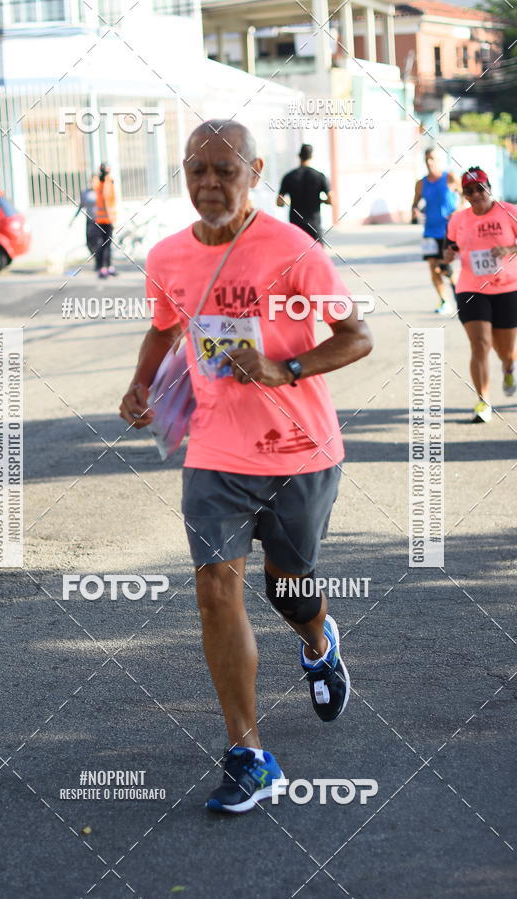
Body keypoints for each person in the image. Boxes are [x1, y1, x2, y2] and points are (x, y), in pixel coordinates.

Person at [120, 120, 373, 814]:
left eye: (224, 171)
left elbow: (357, 336)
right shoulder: (169, 255)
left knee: (288, 591)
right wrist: (141, 382)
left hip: (299, 452)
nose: (208, 184)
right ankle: (248, 753)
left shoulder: (293, 251)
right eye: (196, 170)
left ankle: (319, 644)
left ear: (255, 170)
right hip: (215, 452)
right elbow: (167, 322)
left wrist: (284, 366)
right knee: (213, 589)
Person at [444, 166, 517, 423]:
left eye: (480, 188)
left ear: (489, 188)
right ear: (464, 194)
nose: (476, 194)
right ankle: (483, 401)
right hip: (471, 289)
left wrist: (509, 247)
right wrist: (448, 255)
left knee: (506, 350)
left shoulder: (509, 212)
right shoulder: (458, 219)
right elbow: (450, 246)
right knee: (480, 344)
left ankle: (509, 367)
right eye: (470, 190)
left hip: (508, 288)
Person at [412, 147, 461, 315]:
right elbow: (415, 203)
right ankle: (444, 301)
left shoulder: (450, 177)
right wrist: (414, 210)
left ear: (440, 159)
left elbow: (465, 197)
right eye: (427, 159)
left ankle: (458, 297)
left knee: (446, 268)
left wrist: (458, 211)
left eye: (432, 158)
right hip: (429, 232)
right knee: (433, 268)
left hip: (448, 231)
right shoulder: (421, 183)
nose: (429, 162)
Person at [277, 144, 333, 243]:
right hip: (314, 226)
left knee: (298, 256)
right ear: (311, 156)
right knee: (316, 256)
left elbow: (279, 202)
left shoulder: (289, 176)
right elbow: (331, 200)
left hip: (296, 225)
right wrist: (319, 200)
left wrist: (290, 200)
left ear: (299, 156)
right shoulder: (319, 176)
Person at [72, 175, 102, 267]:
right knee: (89, 242)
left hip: (100, 220)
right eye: (92, 181)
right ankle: (97, 258)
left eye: (95, 181)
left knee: (99, 242)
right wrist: (74, 217)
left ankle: (99, 263)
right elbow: (81, 206)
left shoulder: (101, 192)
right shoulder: (85, 192)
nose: (93, 183)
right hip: (90, 220)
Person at [94, 162, 116, 279]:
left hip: (100, 219)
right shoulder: (108, 182)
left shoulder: (98, 182)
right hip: (107, 220)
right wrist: (111, 219)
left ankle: (105, 268)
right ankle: (106, 268)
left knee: (103, 244)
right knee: (107, 245)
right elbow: (107, 201)